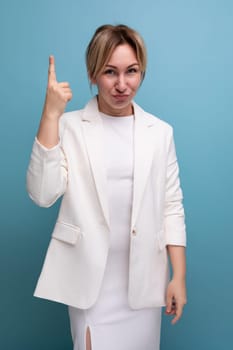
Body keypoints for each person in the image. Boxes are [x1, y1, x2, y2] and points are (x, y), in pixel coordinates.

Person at [27, 24, 187, 350]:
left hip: (143, 278)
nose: (121, 84)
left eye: (132, 71)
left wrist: (178, 276)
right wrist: (50, 114)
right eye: (110, 72)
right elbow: (43, 195)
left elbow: (172, 205)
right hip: (90, 281)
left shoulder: (160, 133)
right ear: (93, 72)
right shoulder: (69, 126)